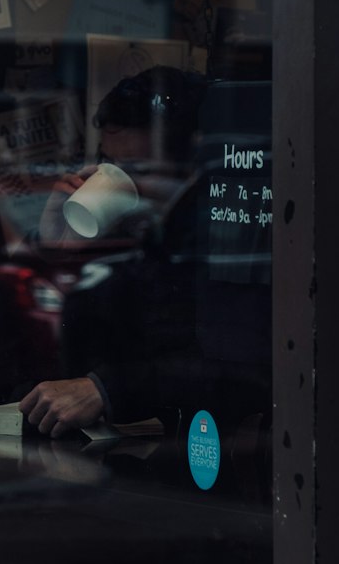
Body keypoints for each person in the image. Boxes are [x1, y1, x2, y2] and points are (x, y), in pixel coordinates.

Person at [20, 66, 211, 438]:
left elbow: (231, 362)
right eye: (112, 166)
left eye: (138, 168)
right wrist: (57, 245)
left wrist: (106, 389)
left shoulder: (210, 232)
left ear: (189, 165)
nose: (124, 185)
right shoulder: (138, 242)